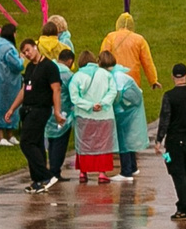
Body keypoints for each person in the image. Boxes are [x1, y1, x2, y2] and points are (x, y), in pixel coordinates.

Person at [9, 38, 63, 193]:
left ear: (35, 47)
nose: (27, 54)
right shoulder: (30, 68)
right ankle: (37, 179)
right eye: (24, 52)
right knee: (37, 143)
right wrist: (12, 108)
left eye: (28, 50)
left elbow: (56, 89)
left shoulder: (49, 67)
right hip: (27, 109)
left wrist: (57, 111)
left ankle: (46, 175)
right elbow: (24, 90)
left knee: (26, 142)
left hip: (41, 109)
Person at [156, 63, 186, 219]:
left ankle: (184, 207)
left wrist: (159, 140)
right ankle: (184, 203)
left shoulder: (169, 96)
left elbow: (165, 119)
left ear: (173, 77)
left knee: (177, 174)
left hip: (174, 140)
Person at [68, 53, 121, 184]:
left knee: (84, 144)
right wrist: (102, 104)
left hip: (84, 116)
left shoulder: (77, 77)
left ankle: (83, 171)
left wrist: (89, 106)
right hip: (104, 115)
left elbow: (74, 97)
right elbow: (113, 91)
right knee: (103, 144)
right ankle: (102, 173)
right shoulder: (106, 75)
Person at [102, 10, 156, 100]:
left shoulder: (110, 37)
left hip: (114, 80)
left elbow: (103, 58)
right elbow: (147, 62)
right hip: (133, 81)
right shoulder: (139, 40)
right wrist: (153, 80)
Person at [112, 56, 150, 182]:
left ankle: (126, 171)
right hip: (130, 109)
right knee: (128, 138)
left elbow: (116, 95)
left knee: (124, 140)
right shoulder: (120, 75)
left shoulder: (116, 77)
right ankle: (132, 167)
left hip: (126, 111)